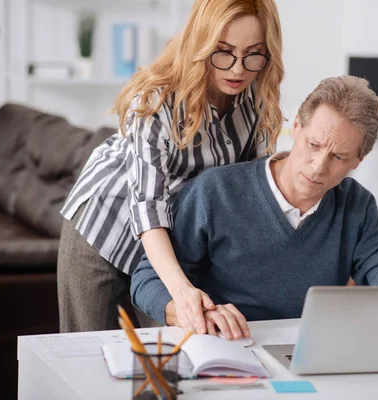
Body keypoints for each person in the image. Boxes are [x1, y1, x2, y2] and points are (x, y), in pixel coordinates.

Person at [131, 75, 378, 339]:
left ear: (358, 160)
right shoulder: (215, 192)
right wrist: (193, 312)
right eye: (314, 144)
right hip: (225, 345)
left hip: (304, 351)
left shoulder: (356, 206)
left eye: (339, 157)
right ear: (296, 127)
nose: (318, 167)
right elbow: (145, 280)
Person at [57, 0, 284, 333]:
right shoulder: (155, 101)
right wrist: (182, 290)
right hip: (103, 229)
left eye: (253, 53)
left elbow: (250, 201)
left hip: (170, 246)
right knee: (87, 359)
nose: (238, 69)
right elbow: (149, 211)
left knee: (176, 356)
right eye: (223, 51)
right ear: (202, 43)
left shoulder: (256, 105)